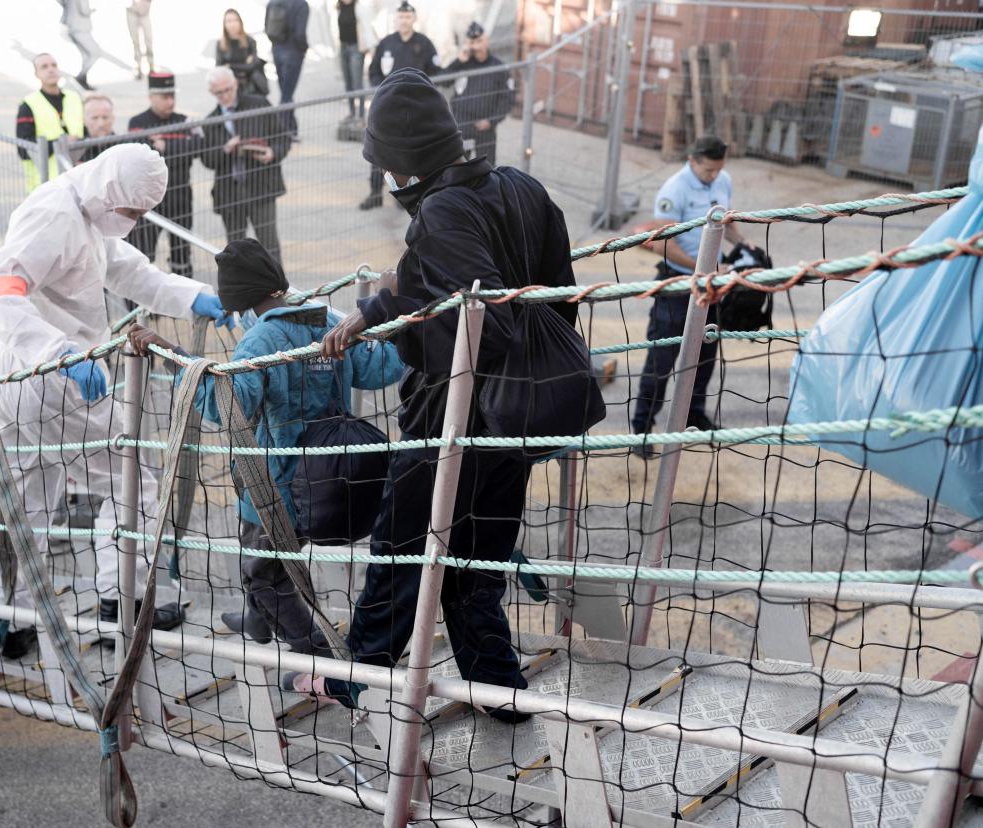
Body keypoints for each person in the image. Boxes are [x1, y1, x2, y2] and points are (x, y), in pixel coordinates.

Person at [294, 69, 579, 722]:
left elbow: (479, 323)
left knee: (399, 550)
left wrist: (399, 309)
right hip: (520, 415)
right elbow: (549, 299)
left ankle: (353, 679)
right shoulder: (523, 189)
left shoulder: (441, 213)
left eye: (387, 164)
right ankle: (499, 693)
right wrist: (392, 296)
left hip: (451, 417)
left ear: (403, 162)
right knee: (473, 567)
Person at [0, 144, 231, 651]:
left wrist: (192, 295)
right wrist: (60, 350)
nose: (135, 222)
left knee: (28, 497)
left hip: (22, 369)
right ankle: (127, 599)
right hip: (52, 368)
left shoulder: (86, 209)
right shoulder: (55, 215)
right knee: (130, 478)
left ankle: (12, 615)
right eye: (133, 212)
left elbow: (132, 274)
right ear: (111, 192)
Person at [128, 239, 403, 655]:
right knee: (264, 558)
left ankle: (318, 657)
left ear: (236, 299)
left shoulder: (261, 340)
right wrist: (396, 314)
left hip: (274, 488)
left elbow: (226, 407)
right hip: (327, 478)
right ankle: (257, 621)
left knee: (264, 574)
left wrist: (172, 354)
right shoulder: (329, 319)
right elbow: (381, 366)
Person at [631, 135, 748, 458]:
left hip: (711, 285)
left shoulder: (723, 179)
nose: (713, 176)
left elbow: (727, 221)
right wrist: (705, 265)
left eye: (717, 170)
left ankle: (695, 415)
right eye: (708, 170)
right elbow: (664, 244)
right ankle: (642, 428)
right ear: (693, 160)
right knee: (662, 359)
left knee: (706, 355)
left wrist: (745, 246)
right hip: (677, 285)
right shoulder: (674, 190)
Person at [201, 67, 291, 265]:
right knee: (236, 251)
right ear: (212, 93)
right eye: (219, 92)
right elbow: (207, 160)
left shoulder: (258, 104)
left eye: (229, 89)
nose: (225, 96)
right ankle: (243, 293)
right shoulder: (210, 121)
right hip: (230, 193)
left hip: (261, 187)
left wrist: (272, 152)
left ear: (236, 85)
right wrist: (225, 149)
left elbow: (283, 138)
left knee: (270, 246)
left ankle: (278, 291)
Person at [359, 0, 439, 210]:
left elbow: (437, 72)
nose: (404, 20)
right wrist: (381, 90)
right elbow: (374, 72)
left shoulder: (425, 43)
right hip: (389, 109)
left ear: (414, 19)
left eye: (408, 17)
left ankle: (408, 194)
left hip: (417, 110)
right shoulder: (386, 44)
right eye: (401, 17)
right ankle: (375, 193)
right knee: (380, 151)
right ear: (396, 19)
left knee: (413, 153)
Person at [128, 71, 202, 276]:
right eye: (164, 97)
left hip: (180, 197)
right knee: (144, 252)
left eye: (172, 96)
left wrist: (165, 146)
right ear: (151, 96)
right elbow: (139, 157)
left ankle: (185, 300)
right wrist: (178, 148)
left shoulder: (184, 120)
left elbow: (198, 147)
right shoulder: (138, 123)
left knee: (181, 252)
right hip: (149, 202)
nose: (170, 102)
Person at [444, 22, 513, 164]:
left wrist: (492, 121)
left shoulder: (498, 67)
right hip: (462, 125)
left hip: (485, 127)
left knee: (487, 171)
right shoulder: (463, 62)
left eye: (479, 41)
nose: (477, 46)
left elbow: (507, 98)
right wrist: (458, 61)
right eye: (472, 42)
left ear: (486, 41)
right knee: (458, 170)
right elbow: (443, 81)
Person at [15, 53, 84, 193]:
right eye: (44, 67)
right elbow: (23, 148)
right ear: (36, 74)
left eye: (54, 65)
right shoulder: (28, 104)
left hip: (77, 181)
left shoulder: (74, 98)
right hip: (46, 185)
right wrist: (60, 143)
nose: (51, 69)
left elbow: (86, 131)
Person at [265, 0, 309, 138]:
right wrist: (304, 49)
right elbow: (300, 34)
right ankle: (283, 130)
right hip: (293, 53)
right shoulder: (301, 4)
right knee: (286, 95)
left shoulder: (273, 2)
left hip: (277, 50)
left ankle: (291, 128)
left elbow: (266, 27)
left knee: (286, 93)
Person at [336, 0, 376, 127]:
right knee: (348, 84)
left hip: (356, 49)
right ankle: (352, 113)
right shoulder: (339, 6)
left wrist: (370, 49)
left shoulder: (359, 7)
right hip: (343, 48)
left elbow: (367, 28)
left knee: (357, 84)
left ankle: (361, 116)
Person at [216, 9, 266, 99]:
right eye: (229, 21)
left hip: (250, 87)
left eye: (235, 20)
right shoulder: (221, 44)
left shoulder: (250, 41)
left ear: (240, 22)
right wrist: (243, 66)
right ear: (224, 24)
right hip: (230, 88)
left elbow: (252, 66)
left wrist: (229, 66)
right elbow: (219, 70)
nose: (232, 24)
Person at [60, 0, 103, 90]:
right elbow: (84, 10)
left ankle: (83, 78)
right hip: (80, 27)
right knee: (95, 53)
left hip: (71, 26)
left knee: (85, 55)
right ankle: (81, 76)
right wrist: (93, 10)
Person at [126, 0, 154, 79]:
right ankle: (138, 67)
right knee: (135, 41)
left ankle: (151, 66)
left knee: (149, 40)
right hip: (131, 11)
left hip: (145, 12)